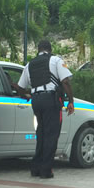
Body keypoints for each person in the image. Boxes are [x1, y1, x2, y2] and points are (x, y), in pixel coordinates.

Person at [16, 39, 74, 178]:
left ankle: (35, 168)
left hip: (36, 101)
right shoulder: (56, 60)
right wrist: (70, 101)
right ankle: (46, 170)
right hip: (51, 101)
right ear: (50, 49)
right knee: (51, 135)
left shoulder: (30, 64)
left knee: (41, 134)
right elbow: (65, 81)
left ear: (38, 49)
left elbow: (20, 88)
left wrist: (32, 94)